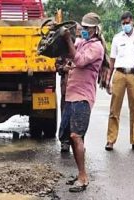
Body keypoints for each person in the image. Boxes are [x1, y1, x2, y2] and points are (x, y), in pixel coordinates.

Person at [60, 12, 105, 192]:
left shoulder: (97, 48)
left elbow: (78, 59)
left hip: (83, 97)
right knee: (70, 136)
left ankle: (83, 177)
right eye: (83, 28)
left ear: (95, 29)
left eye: (88, 28)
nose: (84, 30)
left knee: (76, 136)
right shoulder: (81, 42)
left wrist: (68, 40)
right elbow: (70, 56)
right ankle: (80, 173)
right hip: (71, 96)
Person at [105, 11, 134, 152]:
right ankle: (110, 140)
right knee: (114, 109)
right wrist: (108, 78)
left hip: (133, 76)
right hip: (119, 74)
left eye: (127, 23)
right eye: (123, 24)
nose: (125, 26)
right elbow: (112, 60)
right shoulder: (117, 38)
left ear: (132, 22)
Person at [57, 23, 83, 153]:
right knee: (65, 116)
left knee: (79, 116)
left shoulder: (85, 45)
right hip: (66, 87)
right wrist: (63, 68)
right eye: (77, 30)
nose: (79, 32)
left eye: (81, 30)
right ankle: (65, 142)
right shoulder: (64, 46)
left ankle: (79, 142)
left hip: (80, 88)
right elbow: (58, 65)